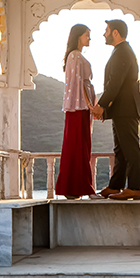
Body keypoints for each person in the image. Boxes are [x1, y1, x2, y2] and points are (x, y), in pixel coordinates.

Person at [90, 19, 140, 200]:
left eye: (106, 30)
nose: (104, 34)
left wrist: (101, 106)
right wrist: (106, 110)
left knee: (130, 149)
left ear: (115, 32)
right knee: (120, 150)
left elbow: (115, 84)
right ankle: (115, 186)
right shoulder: (120, 52)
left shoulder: (123, 53)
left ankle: (134, 188)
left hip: (127, 109)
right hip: (121, 109)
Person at [55, 23, 98, 199]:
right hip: (78, 108)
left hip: (82, 108)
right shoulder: (75, 56)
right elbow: (77, 86)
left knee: (82, 147)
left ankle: (77, 188)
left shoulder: (77, 56)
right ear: (78, 36)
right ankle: (76, 188)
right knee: (77, 147)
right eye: (87, 35)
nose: (89, 38)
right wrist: (90, 106)